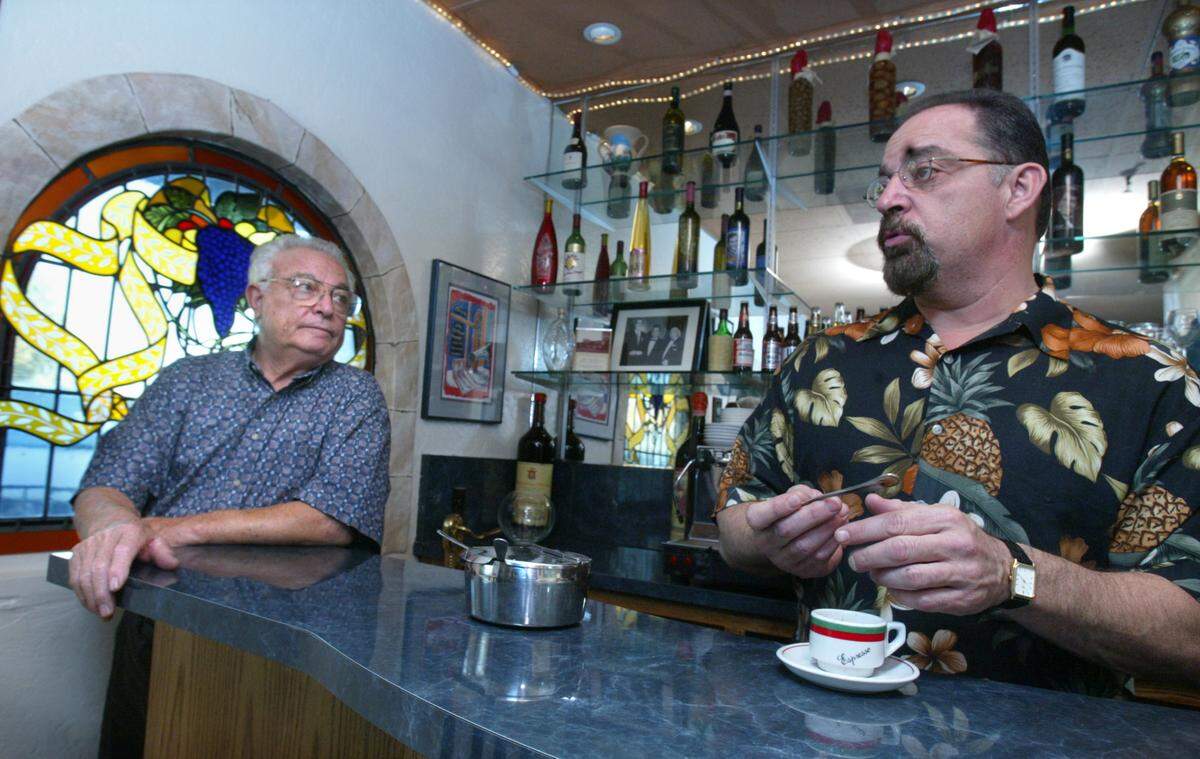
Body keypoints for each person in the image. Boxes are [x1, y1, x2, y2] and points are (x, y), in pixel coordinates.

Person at [716, 89, 1200, 695]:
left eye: (923, 171)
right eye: (886, 181)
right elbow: (734, 520)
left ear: (1018, 189)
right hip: (824, 736)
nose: (889, 198)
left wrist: (1013, 575)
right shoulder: (823, 359)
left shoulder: (1148, 382)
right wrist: (769, 539)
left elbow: (1191, 633)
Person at [67, 233, 391, 756]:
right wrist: (113, 530)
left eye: (340, 298)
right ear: (256, 298)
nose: (326, 307)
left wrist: (169, 528)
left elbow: (332, 518)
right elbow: (108, 481)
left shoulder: (355, 396)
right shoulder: (186, 382)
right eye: (306, 287)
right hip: (163, 622)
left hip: (296, 641)